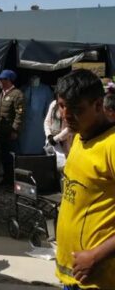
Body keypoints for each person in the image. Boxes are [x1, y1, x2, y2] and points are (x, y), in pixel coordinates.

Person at [55, 69, 115, 289]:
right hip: (73, 276)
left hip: (99, 279)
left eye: (76, 109)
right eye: (62, 106)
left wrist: (96, 256)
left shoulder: (112, 146)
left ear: (98, 105)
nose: (65, 115)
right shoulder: (79, 136)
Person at [0, 69, 25, 187]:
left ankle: (12, 183)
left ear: (8, 80)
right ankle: (6, 180)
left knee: (11, 158)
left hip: (10, 133)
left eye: (1, 79)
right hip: (1, 132)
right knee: (4, 157)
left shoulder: (17, 95)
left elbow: (20, 114)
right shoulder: (2, 93)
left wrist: (15, 130)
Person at [18, 75, 53, 154]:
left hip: (39, 121)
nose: (34, 79)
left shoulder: (45, 89)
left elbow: (49, 105)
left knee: (38, 141)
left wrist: (47, 118)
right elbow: (19, 104)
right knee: (25, 142)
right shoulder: (24, 88)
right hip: (26, 122)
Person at [43, 98, 73, 171]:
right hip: (52, 142)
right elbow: (47, 121)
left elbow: (71, 127)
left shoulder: (71, 104)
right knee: (52, 167)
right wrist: (49, 135)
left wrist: (56, 139)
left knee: (64, 167)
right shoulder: (54, 104)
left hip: (66, 142)